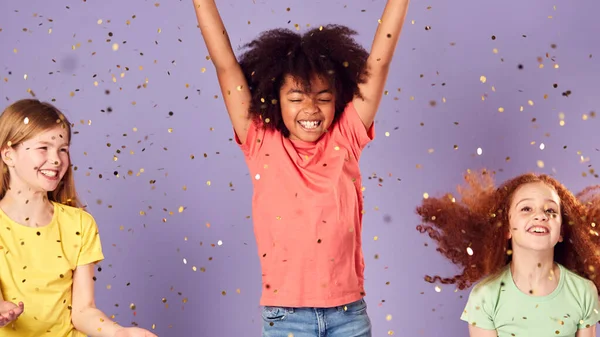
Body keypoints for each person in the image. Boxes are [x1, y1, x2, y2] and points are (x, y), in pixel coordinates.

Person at [193, 0, 410, 335]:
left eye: (323, 98)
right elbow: (225, 65)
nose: (310, 108)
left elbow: (378, 64)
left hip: (348, 314)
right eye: (296, 98)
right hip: (286, 318)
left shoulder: (346, 136)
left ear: (338, 99)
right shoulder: (260, 140)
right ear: (274, 100)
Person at [0, 99, 157, 337]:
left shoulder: (80, 224)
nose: (56, 159)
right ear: (8, 155)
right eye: (43, 148)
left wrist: (119, 333)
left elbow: (83, 311)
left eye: (63, 149)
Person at [416, 169, 600, 337]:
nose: (541, 215)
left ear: (562, 231)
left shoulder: (584, 292)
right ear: (507, 228)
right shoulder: (485, 296)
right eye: (526, 209)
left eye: (551, 210)